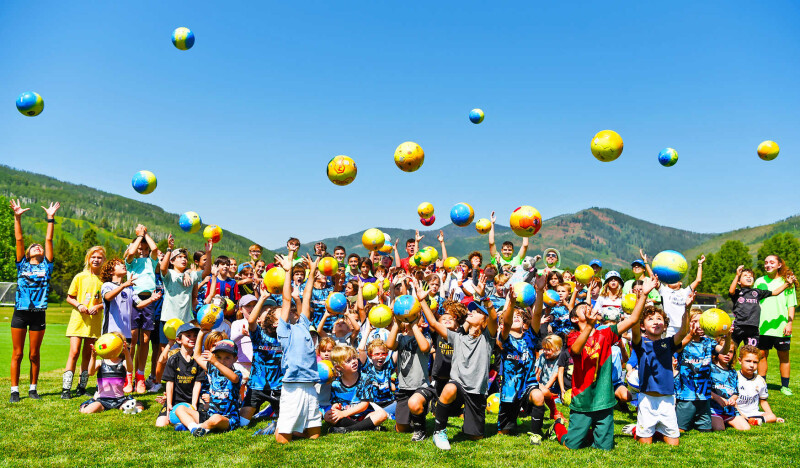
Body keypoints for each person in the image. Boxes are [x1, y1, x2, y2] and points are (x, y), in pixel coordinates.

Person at [549, 276, 655, 451]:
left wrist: (644, 294)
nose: (589, 309)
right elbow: (576, 350)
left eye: (590, 307)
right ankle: (559, 426)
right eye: (584, 308)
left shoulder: (605, 333)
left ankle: (586, 432)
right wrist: (590, 326)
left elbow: (633, 320)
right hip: (582, 399)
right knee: (571, 445)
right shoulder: (573, 336)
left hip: (603, 399)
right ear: (575, 319)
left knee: (605, 448)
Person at [421, 276, 499, 450]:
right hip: (458, 385)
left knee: (475, 436)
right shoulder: (456, 337)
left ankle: (469, 422)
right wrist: (421, 301)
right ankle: (439, 432)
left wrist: (485, 297)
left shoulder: (488, 338)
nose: (471, 312)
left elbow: (494, 318)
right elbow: (433, 322)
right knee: (450, 387)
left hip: (476, 391)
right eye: (471, 310)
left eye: (477, 312)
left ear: (483, 321)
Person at [8, 199, 59, 403]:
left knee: (34, 354)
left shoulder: (47, 266)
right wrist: (17, 218)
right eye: (34, 247)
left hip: (39, 314)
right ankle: (14, 391)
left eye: (39, 247)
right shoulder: (21, 265)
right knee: (18, 353)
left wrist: (50, 218)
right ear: (28, 254)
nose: (37, 247)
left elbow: (48, 240)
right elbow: (19, 240)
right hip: (20, 312)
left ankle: (33, 388)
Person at [625, 295, 691, 445]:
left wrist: (687, 309)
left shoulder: (669, 343)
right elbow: (633, 326)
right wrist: (640, 300)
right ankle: (637, 429)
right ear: (643, 326)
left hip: (667, 400)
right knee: (645, 443)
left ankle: (658, 430)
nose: (656, 321)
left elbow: (683, 331)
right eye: (650, 319)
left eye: (659, 319)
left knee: (674, 444)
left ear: (665, 325)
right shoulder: (640, 343)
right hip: (647, 400)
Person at [273, 249, 322, 443]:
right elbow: (286, 300)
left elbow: (307, 297)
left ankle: (295, 428)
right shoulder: (283, 331)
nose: (285, 311)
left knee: (315, 435)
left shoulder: (303, 324)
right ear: (275, 324)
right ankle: (280, 427)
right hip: (292, 385)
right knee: (282, 440)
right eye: (278, 313)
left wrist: (311, 272)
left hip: (310, 384)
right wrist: (288, 271)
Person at [496, 276, 547, 445]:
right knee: (505, 432)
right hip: (509, 388)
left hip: (528, 384)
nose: (516, 317)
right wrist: (510, 304)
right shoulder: (504, 338)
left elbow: (538, 314)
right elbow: (507, 321)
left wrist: (539, 292)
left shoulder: (530, 337)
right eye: (513, 316)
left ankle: (535, 434)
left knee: (538, 396)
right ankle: (511, 421)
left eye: (519, 315)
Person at [676, 308, 732, 433]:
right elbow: (677, 349)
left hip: (704, 395)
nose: (700, 325)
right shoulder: (684, 340)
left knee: (706, 429)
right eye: (695, 321)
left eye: (703, 321)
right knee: (681, 429)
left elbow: (723, 351)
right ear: (689, 323)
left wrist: (727, 338)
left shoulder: (708, 341)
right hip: (686, 395)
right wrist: (690, 334)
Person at [62, 245, 106, 399]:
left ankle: (81, 387)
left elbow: (107, 300)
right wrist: (79, 305)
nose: (96, 260)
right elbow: (70, 297)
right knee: (74, 353)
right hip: (78, 320)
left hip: (94, 322)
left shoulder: (104, 280)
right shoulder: (80, 277)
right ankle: (66, 389)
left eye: (99, 258)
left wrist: (99, 306)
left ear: (103, 260)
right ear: (88, 259)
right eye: (93, 257)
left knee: (87, 354)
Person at [179, 335, 242, 436]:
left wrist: (215, 362)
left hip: (227, 418)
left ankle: (199, 427)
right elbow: (197, 356)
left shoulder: (236, 373)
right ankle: (193, 428)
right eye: (218, 357)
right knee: (180, 409)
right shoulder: (213, 369)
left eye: (227, 358)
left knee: (216, 418)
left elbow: (234, 379)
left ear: (235, 359)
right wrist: (201, 333)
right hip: (209, 415)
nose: (222, 361)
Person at [386, 313, 435, 441]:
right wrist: (396, 323)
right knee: (401, 428)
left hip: (421, 386)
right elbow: (390, 345)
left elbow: (424, 347)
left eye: (416, 317)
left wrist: (414, 326)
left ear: (423, 324)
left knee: (414, 403)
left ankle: (421, 429)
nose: (411, 318)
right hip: (404, 387)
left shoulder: (426, 337)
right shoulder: (401, 338)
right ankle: (414, 419)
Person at [124, 224, 160, 394]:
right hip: (133, 299)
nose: (142, 250)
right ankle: (128, 375)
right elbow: (131, 253)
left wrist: (145, 235)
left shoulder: (151, 262)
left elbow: (155, 248)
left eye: (144, 249)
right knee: (132, 338)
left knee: (144, 341)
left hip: (149, 300)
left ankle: (140, 376)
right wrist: (139, 237)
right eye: (140, 248)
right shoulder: (130, 261)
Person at [158, 234, 213, 346]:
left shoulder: (191, 275)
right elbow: (163, 268)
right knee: (165, 349)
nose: (183, 259)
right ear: (172, 262)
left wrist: (209, 253)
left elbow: (206, 272)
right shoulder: (169, 274)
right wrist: (169, 249)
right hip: (168, 318)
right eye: (179, 257)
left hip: (185, 320)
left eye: (185, 257)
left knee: (183, 349)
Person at [755, 254, 797, 396]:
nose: (768, 265)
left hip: (781, 327)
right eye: (766, 262)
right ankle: (762, 385)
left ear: (779, 265)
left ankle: (785, 386)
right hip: (762, 326)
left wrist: (789, 323)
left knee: (783, 357)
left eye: (772, 262)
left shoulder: (787, 282)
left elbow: (791, 305)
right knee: (761, 356)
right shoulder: (759, 281)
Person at [242, 293, 284, 434]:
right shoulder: (258, 335)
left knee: (285, 421)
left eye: (271, 311)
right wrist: (262, 298)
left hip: (278, 386)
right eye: (265, 311)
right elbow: (251, 321)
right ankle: (266, 411)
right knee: (243, 423)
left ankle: (270, 412)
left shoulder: (284, 335)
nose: (268, 313)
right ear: (260, 318)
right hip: (256, 385)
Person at [326, 345, 389, 433]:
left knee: (382, 414)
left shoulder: (366, 379)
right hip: (346, 416)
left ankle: (347, 429)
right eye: (348, 361)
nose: (354, 362)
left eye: (354, 358)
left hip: (364, 415)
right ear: (339, 367)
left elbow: (364, 405)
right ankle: (367, 426)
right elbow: (335, 403)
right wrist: (335, 407)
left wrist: (343, 413)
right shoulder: (335, 384)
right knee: (327, 417)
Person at [729, 265, 793, 349]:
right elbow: (731, 291)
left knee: (751, 352)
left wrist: (787, 284)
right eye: (745, 276)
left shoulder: (757, 292)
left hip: (753, 329)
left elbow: (775, 292)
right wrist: (737, 275)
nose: (749, 277)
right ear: (739, 281)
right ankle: (729, 362)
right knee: (730, 350)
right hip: (738, 327)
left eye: (751, 276)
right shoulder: (737, 292)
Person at [79, 332, 144, 414]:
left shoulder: (123, 363)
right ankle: (89, 405)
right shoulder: (100, 362)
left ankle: (126, 407)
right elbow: (90, 372)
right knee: (87, 411)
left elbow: (130, 369)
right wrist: (93, 357)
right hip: (102, 399)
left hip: (120, 399)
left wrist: (127, 353)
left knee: (139, 407)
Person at [644, 252, 704, 337]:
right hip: (669, 327)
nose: (673, 281)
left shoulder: (685, 291)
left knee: (682, 349)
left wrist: (700, 264)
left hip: (683, 326)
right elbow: (653, 278)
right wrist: (646, 262)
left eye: (675, 279)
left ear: (680, 282)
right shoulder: (664, 291)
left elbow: (698, 280)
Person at [156, 322, 205, 427]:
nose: (193, 338)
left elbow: (197, 383)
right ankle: (182, 422)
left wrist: (193, 404)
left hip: (192, 400)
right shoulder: (173, 359)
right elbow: (169, 383)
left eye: (195, 335)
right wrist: (169, 404)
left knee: (201, 420)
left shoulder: (198, 359)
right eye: (188, 336)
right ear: (179, 340)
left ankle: (184, 423)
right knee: (161, 424)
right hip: (175, 400)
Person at [99, 259, 136, 390]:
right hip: (111, 331)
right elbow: (108, 297)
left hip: (126, 332)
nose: (123, 266)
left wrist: (152, 299)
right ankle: (104, 389)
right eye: (119, 265)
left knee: (122, 362)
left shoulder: (130, 287)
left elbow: (139, 304)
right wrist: (123, 286)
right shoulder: (107, 285)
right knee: (108, 361)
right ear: (111, 271)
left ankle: (119, 388)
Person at [737, 345, 784, 424]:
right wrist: (740, 414)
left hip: (754, 414)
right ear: (740, 360)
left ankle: (753, 421)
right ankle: (749, 420)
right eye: (748, 361)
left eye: (755, 362)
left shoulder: (760, 380)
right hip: (737, 412)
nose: (752, 365)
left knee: (771, 416)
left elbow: (763, 401)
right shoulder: (734, 377)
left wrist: (771, 414)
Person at [709, 342, 750, 431]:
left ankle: (726, 421)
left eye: (731, 351)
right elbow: (704, 389)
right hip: (713, 410)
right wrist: (717, 398)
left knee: (746, 428)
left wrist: (733, 399)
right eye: (724, 350)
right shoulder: (710, 368)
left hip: (729, 411)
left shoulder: (733, 372)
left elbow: (736, 392)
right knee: (719, 429)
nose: (727, 354)